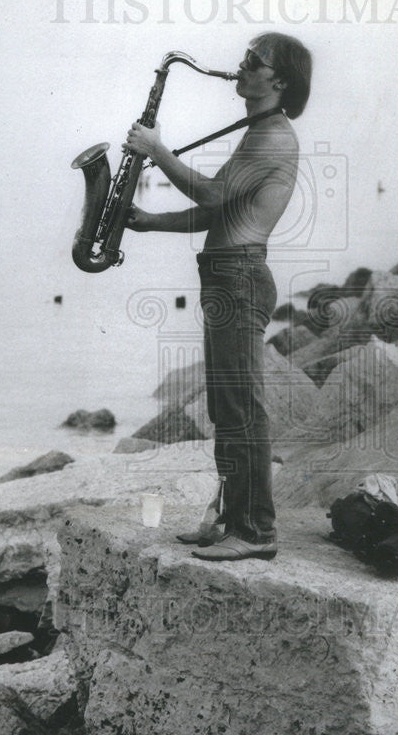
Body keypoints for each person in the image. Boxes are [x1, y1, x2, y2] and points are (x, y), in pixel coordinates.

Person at [124, 33, 312, 561]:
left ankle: (254, 532)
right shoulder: (259, 130)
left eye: (255, 62)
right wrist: (146, 222)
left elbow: (210, 195)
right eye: (246, 58)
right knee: (227, 408)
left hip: (238, 278)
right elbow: (218, 213)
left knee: (241, 410)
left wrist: (156, 151)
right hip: (228, 275)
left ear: (280, 81)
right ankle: (231, 517)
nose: (241, 66)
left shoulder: (272, 136)